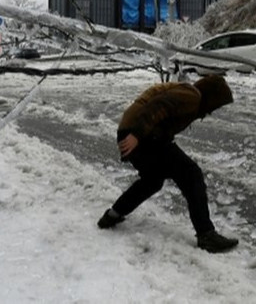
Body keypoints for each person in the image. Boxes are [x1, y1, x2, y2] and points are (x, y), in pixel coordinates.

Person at [97, 74, 239, 254]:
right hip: (140, 134)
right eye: (216, 104)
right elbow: (158, 106)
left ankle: (112, 215)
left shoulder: (189, 94)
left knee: (152, 180)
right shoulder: (192, 95)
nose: (212, 110)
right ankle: (206, 235)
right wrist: (136, 135)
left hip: (136, 133)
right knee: (191, 173)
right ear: (211, 96)